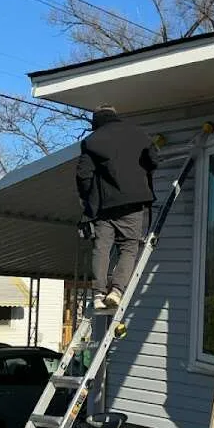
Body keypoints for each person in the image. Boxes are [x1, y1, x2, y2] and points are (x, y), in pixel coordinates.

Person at [76, 105, 159, 310]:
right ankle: (117, 290)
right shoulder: (138, 134)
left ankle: (97, 294)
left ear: (96, 122)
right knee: (129, 247)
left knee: (101, 248)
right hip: (134, 202)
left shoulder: (92, 141)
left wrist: (89, 200)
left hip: (104, 206)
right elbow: (154, 160)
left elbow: (83, 175)